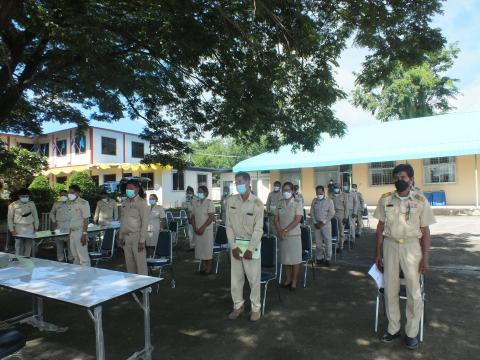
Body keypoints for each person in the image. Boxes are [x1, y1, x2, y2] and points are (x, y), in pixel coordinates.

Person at [373, 164, 436, 350]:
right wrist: (377, 252)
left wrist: (425, 257)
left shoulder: (420, 200)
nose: (400, 179)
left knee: (414, 292)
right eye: (396, 177)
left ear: (411, 179)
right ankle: (393, 329)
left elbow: (425, 231)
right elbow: (379, 227)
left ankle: (411, 332)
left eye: (403, 176)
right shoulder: (385, 199)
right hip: (390, 246)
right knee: (390, 288)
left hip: (411, 248)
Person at [226, 172, 264, 322]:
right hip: (235, 245)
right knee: (235, 279)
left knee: (254, 279)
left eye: (240, 182)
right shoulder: (231, 201)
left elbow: (259, 229)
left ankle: (256, 308)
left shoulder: (257, 203)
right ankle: (238, 306)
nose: (238, 185)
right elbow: (228, 226)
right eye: (236, 182)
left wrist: (250, 248)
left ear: (249, 183)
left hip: (251, 246)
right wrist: (233, 246)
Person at [274, 182, 303, 290]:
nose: (286, 192)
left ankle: (294, 281)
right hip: (282, 235)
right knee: (285, 259)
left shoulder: (297, 202)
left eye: (288, 190)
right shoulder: (279, 202)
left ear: (292, 190)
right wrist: (280, 231)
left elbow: (297, 219)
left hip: (294, 235)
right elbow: (276, 218)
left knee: (295, 260)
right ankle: (288, 279)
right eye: (284, 190)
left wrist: (285, 230)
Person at [119, 179, 149, 275]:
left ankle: (145, 289)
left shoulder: (142, 203)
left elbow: (145, 223)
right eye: (127, 188)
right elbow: (122, 221)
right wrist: (120, 237)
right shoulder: (124, 203)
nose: (128, 190)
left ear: (137, 189)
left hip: (137, 237)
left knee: (140, 264)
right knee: (129, 264)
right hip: (126, 238)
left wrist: (142, 241)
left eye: (131, 188)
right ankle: (133, 286)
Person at [7, 188, 39, 256]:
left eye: (27, 196)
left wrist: (36, 228)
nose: (25, 198)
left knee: (28, 246)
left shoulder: (32, 204)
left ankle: (26, 261)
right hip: (19, 227)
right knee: (18, 246)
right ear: (19, 196)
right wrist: (12, 230)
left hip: (30, 227)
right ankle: (19, 262)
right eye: (23, 196)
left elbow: (35, 216)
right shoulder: (13, 205)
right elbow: (9, 218)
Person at [191, 186, 215, 274]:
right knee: (200, 249)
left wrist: (203, 227)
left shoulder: (209, 202)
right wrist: (194, 228)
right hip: (197, 229)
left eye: (201, 191)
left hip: (206, 230)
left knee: (207, 249)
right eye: (198, 191)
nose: (199, 193)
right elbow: (192, 216)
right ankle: (204, 266)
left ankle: (209, 268)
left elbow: (211, 217)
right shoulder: (196, 203)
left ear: (205, 193)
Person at [310, 185, 335, 266]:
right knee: (318, 243)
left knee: (328, 242)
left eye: (320, 192)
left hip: (326, 225)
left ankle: (328, 259)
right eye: (317, 192)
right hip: (316, 225)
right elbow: (312, 212)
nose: (319, 194)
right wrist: (315, 222)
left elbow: (331, 213)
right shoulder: (314, 200)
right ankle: (319, 258)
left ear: (323, 192)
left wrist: (323, 222)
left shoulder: (329, 201)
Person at [67, 185, 91, 266]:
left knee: (83, 257)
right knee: (75, 256)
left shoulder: (83, 202)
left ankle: (87, 276)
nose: (69, 194)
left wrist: (84, 234)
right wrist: (70, 233)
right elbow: (71, 219)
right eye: (69, 192)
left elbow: (86, 219)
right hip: (72, 232)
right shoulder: (70, 203)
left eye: (72, 192)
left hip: (80, 232)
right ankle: (78, 277)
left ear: (77, 193)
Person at [49, 190, 73, 262]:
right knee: (59, 245)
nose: (63, 197)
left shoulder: (71, 203)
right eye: (61, 195)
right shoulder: (56, 204)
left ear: (67, 196)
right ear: (60, 196)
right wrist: (54, 221)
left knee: (71, 245)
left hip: (69, 226)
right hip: (59, 226)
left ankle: (71, 259)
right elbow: (52, 213)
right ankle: (60, 259)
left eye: (65, 195)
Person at [331, 184, 347, 252]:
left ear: (340, 188)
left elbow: (346, 207)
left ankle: (341, 246)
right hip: (333, 213)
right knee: (334, 230)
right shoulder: (330, 195)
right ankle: (335, 245)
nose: (336, 189)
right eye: (335, 188)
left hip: (341, 213)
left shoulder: (344, 195)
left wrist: (345, 217)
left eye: (337, 188)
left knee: (341, 231)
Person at [182, 186, 196, 251]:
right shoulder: (186, 199)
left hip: (196, 218)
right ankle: (192, 246)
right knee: (190, 233)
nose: (189, 194)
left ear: (193, 192)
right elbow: (185, 209)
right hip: (189, 218)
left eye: (190, 192)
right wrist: (188, 217)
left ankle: (198, 246)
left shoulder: (197, 198)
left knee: (196, 232)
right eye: (188, 192)